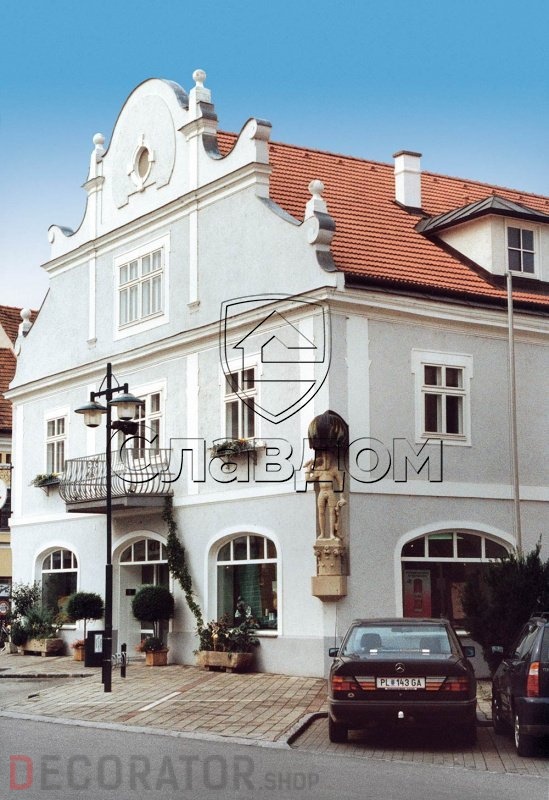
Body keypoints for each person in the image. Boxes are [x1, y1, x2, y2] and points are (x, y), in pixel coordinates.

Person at [305, 452, 346, 539]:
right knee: (321, 512)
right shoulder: (319, 470)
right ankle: (322, 533)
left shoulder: (334, 469)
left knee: (332, 512)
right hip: (322, 492)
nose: (327, 460)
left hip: (330, 491)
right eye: (325, 458)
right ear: (322, 459)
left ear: (330, 460)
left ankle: (331, 534)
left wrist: (342, 497)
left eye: (328, 459)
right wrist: (309, 468)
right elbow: (308, 480)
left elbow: (340, 482)